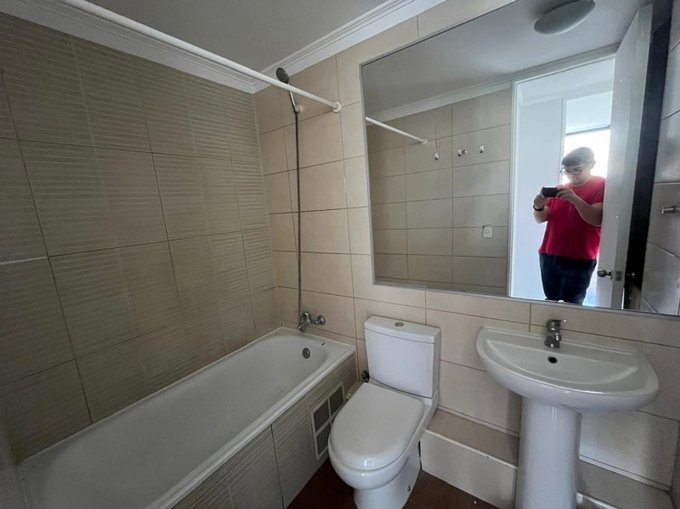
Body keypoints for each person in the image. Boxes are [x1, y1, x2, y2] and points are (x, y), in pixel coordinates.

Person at [533, 147, 605, 304]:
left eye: (577, 170)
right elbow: (540, 219)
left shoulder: (602, 185)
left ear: (591, 164)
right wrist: (538, 206)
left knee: (573, 304)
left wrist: (575, 199)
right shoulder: (561, 189)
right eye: (567, 171)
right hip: (549, 253)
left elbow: (596, 219)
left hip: (580, 256)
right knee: (550, 300)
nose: (571, 175)